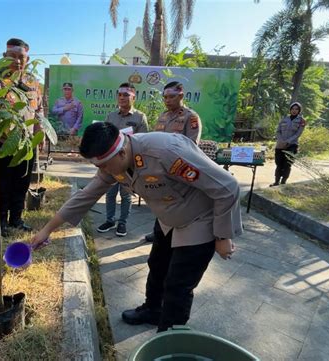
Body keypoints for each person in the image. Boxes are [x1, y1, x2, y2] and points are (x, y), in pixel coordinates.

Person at [31, 122, 242, 332]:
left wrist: (222, 236)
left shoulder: (166, 152)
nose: (102, 171)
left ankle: (169, 338)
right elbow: (86, 196)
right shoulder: (113, 162)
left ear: (122, 153)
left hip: (199, 219)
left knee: (178, 285)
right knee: (157, 267)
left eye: (104, 165)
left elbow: (228, 187)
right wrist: (46, 230)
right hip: (167, 219)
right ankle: (152, 310)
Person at [0, 38, 43, 235]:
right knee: (1, 184)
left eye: (21, 57)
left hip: (26, 144)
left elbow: (40, 109)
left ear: (28, 59)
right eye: (13, 56)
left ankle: (16, 219)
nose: (17, 61)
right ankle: (1, 223)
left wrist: (39, 134)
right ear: (4, 57)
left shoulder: (32, 81)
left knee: (22, 182)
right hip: (0, 143)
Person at [145, 81, 202, 243]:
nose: (167, 100)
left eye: (171, 97)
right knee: (161, 203)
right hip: (160, 169)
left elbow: (192, 146)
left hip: (178, 170)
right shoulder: (163, 116)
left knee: (176, 204)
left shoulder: (191, 117)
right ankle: (159, 233)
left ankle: (176, 236)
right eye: (165, 97)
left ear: (181, 96)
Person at [96, 83, 148, 237]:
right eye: (120, 95)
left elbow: (143, 140)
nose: (122, 98)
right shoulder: (111, 116)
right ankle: (110, 220)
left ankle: (122, 223)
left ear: (133, 97)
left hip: (128, 164)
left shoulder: (140, 117)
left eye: (126, 95)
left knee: (126, 194)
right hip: (111, 164)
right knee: (110, 193)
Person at [270, 102, 306, 187]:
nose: (294, 110)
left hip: (292, 145)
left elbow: (298, 133)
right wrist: (281, 140)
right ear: (290, 110)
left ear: (299, 111)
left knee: (287, 164)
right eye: (293, 109)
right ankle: (276, 182)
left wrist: (288, 141)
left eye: (296, 109)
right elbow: (278, 131)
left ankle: (283, 182)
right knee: (279, 163)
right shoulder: (284, 119)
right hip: (280, 144)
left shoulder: (302, 121)